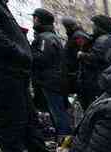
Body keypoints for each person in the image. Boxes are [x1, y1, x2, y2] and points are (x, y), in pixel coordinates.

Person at [0, 0, 51, 152]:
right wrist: (19, 53)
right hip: (5, 71)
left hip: (16, 70)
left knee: (28, 116)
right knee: (11, 117)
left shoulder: (2, 6)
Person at [31, 8, 72, 137]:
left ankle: (65, 140)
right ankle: (64, 138)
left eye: (35, 18)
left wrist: (28, 51)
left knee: (58, 112)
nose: (33, 20)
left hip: (50, 82)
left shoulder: (45, 38)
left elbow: (43, 58)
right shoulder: (50, 36)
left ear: (40, 20)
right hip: (54, 81)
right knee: (58, 111)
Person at [77, 15, 111, 109]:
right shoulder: (110, 39)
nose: (92, 28)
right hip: (107, 83)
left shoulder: (103, 40)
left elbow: (96, 59)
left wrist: (81, 55)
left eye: (94, 25)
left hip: (100, 84)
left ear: (100, 26)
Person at [60, 17, 90, 97]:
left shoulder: (78, 36)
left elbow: (81, 54)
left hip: (78, 75)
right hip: (76, 74)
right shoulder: (74, 35)